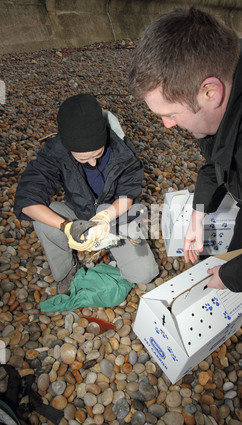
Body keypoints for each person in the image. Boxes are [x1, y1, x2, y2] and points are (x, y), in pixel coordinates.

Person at [129, 7, 242, 416]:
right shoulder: (241, 59)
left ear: (210, 92)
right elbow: (217, 155)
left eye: (169, 114)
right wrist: (198, 214)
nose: (167, 125)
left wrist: (232, 275)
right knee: (236, 249)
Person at [14, 93, 159, 295]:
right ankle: (67, 271)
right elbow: (27, 198)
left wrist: (105, 217)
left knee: (144, 274)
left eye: (98, 154)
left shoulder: (123, 152)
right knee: (42, 218)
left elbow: (128, 193)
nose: (93, 163)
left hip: (117, 213)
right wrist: (66, 227)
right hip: (78, 210)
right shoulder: (56, 151)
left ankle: (112, 247)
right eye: (83, 158)